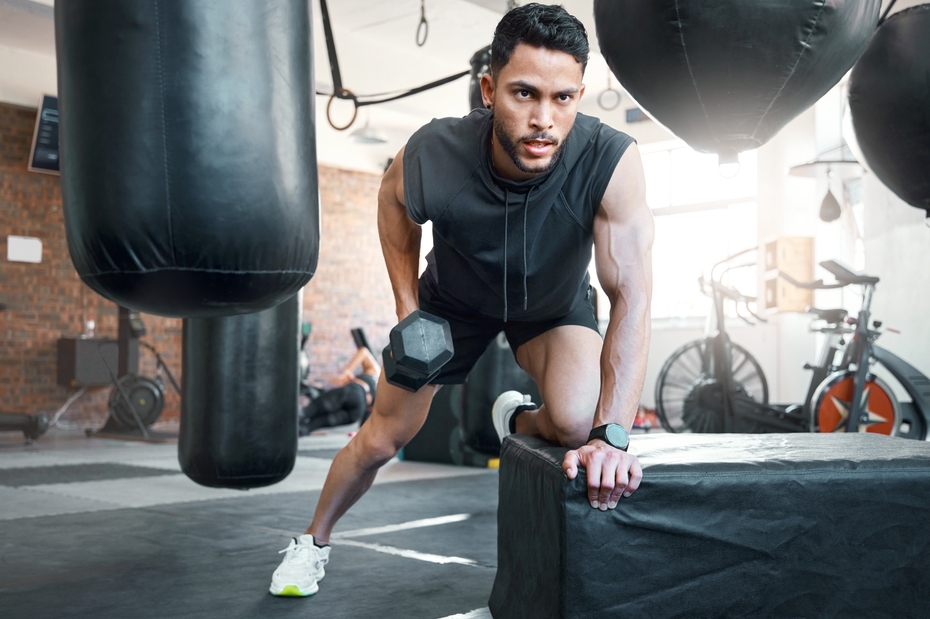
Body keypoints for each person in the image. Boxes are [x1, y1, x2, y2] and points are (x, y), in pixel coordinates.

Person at [269, 3, 653, 597]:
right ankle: (311, 542)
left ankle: (517, 419)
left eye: (563, 99)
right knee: (380, 440)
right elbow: (392, 206)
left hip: (552, 308)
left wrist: (615, 436)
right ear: (488, 89)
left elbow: (632, 295)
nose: (543, 120)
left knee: (580, 422)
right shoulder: (436, 152)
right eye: (524, 94)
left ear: (580, 94)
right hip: (452, 306)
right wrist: (408, 312)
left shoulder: (611, 160)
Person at [298, 346, 380, 436]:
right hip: (358, 412)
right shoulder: (387, 396)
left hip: (356, 391)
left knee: (310, 410)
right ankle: (301, 431)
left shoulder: (377, 372)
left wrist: (347, 372)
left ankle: (287, 425)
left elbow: (364, 352)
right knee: (314, 425)